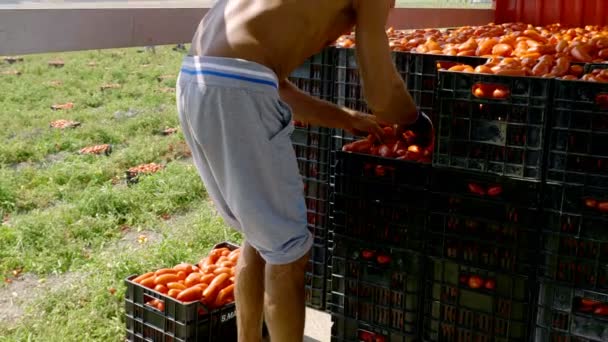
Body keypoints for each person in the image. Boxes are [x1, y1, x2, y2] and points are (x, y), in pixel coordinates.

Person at [176, 0, 430, 341]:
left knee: (261, 235)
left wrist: (346, 118)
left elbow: (273, 83)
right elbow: (384, 95)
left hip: (196, 76)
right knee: (289, 254)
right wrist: (416, 120)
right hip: (237, 87)